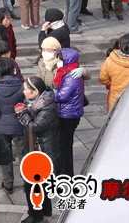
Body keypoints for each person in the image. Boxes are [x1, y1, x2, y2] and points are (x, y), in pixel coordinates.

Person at [14, 77, 59, 223]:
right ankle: (46, 209)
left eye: (26, 89)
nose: (24, 92)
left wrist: (22, 114)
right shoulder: (34, 102)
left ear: (36, 92)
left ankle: (35, 215)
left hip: (43, 149)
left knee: (32, 183)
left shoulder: (47, 106)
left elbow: (37, 126)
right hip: (37, 147)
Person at [0, 57, 25, 194]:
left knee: (5, 156)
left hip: (0, 125)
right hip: (19, 125)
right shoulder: (21, 85)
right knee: (23, 154)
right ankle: (27, 182)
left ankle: (8, 184)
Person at [52, 48, 85, 177]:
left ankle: (65, 175)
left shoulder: (71, 76)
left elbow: (61, 96)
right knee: (65, 146)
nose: (57, 62)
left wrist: (51, 93)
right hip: (69, 113)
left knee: (64, 148)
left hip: (67, 115)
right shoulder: (68, 72)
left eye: (59, 59)